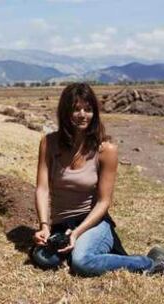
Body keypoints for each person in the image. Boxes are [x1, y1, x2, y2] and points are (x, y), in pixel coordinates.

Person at [31, 82, 164, 276]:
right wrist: (44, 226)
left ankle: (150, 262)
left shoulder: (105, 150)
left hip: (93, 222)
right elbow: (42, 189)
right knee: (44, 259)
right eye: (76, 109)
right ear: (65, 112)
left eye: (88, 109)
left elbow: (104, 202)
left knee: (81, 262)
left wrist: (76, 234)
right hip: (61, 224)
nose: (82, 114)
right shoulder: (49, 143)